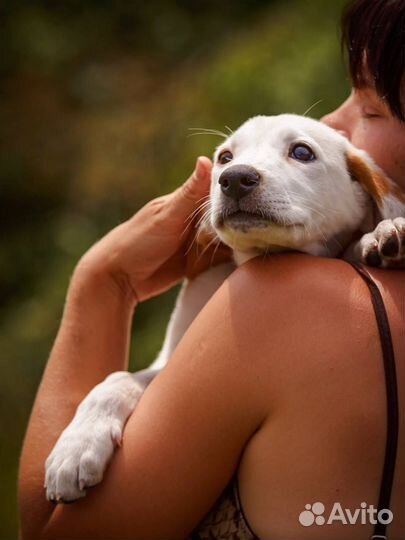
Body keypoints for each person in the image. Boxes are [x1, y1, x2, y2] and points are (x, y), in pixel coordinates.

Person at [18, 0, 405, 538]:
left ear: (371, 196)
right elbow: (163, 376)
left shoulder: (278, 297)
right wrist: (119, 391)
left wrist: (106, 281)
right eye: (226, 159)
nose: (236, 174)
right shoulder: (368, 280)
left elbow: (50, 529)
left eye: (370, 107)